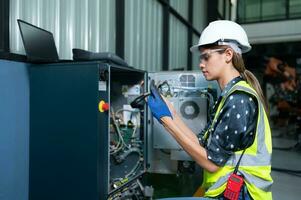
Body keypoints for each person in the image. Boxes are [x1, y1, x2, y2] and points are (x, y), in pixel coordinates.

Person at [147, 20, 273, 200]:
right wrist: (171, 113)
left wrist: (166, 122)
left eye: (206, 57)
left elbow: (212, 163)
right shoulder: (228, 96)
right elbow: (202, 145)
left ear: (228, 54)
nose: (201, 64)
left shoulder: (239, 99)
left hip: (243, 195)